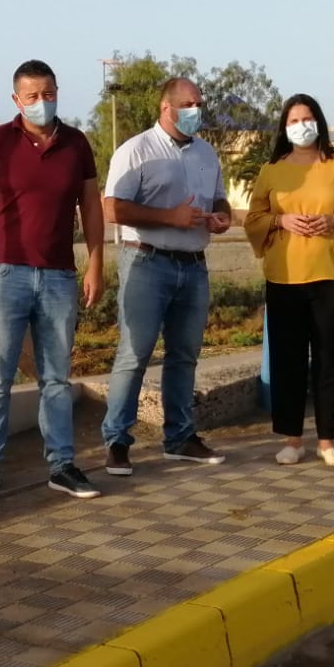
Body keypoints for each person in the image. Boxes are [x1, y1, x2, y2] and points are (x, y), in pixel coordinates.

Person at [0, 60, 105, 499]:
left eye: (48, 93)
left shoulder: (76, 143)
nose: (42, 102)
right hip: (5, 273)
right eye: (32, 96)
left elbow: (92, 208)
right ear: (16, 100)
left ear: (57, 92)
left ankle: (62, 464)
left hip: (60, 277)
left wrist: (96, 263)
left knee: (56, 378)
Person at [100, 76, 232, 476]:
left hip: (193, 266)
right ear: (166, 108)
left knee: (184, 355)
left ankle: (180, 437)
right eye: (188, 105)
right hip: (147, 262)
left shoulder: (207, 153)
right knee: (135, 353)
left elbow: (219, 195)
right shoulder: (136, 150)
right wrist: (168, 218)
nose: (196, 112)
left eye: (199, 105)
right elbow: (112, 209)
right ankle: (117, 441)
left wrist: (221, 215)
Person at [244, 95, 334, 467]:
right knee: (288, 359)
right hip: (284, 277)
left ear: (319, 121)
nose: (301, 124)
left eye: (307, 117)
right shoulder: (273, 169)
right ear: (284, 127)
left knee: (331, 357)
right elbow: (254, 219)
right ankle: (292, 438)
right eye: (293, 119)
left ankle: (328, 439)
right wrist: (280, 221)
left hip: (332, 275)